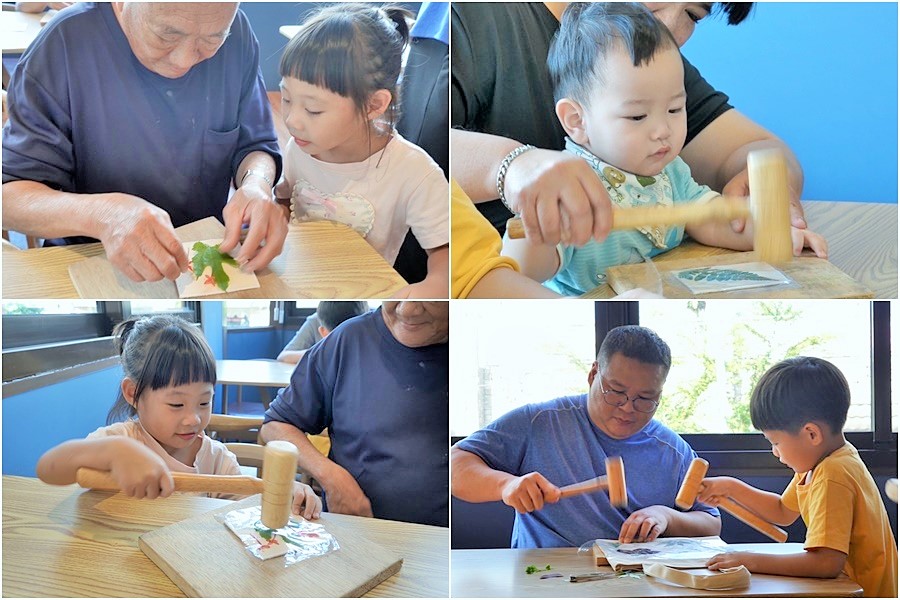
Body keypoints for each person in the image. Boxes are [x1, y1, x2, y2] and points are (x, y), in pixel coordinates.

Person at [502, 3, 826, 296]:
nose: (663, 131)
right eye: (637, 116)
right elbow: (521, 272)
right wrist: (538, 234)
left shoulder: (671, 172)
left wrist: (771, 228)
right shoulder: (570, 189)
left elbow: (710, 219)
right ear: (577, 121)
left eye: (675, 109)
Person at [451, 2, 809, 248]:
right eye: (636, 115)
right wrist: (510, 164)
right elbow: (416, 146)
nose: (666, 23)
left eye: (692, 15)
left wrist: (770, 184)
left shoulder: (653, 61)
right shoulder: (472, 16)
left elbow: (757, 149)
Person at [2, 3, 285, 282]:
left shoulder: (236, 30)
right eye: (167, 35)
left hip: (201, 257)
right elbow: (10, 197)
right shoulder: (63, 44)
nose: (184, 60)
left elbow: (256, 143)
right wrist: (103, 215)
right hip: (92, 259)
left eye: (212, 40)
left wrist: (256, 183)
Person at [451, 325, 720, 548]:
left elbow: (711, 522)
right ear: (593, 375)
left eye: (645, 398)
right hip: (543, 579)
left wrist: (666, 517)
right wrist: (505, 486)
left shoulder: (673, 451)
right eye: (616, 391)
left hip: (636, 580)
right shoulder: (540, 422)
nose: (628, 407)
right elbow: (456, 465)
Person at [36, 315, 321, 519]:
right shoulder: (121, 441)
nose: (193, 419)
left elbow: (252, 509)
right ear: (133, 393)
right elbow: (48, 469)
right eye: (176, 404)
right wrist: (113, 452)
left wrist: (285, 494)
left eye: (204, 402)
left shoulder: (216, 459)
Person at [274, 3, 449, 299]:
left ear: (374, 105)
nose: (292, 120)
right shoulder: (300, 147)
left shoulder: (415, 172)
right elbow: (286, 197)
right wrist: (273, 214)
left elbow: (444, 251)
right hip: (297, 282)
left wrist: (435, 286)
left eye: (313, 109)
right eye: (287, 99)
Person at [699, 357, 897, 598]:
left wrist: (749, 560)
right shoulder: (823, 462)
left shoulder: (833, 474)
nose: (775, 452)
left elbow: (825, 563)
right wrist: (731, 488)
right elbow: (783, 511)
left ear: (811, 434)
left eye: (776, 442)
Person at [261, 301, 449, 527]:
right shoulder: (348, 340)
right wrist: (331, 478)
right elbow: (276, 424)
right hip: (356, 532)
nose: (407, 309)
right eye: (397, 294)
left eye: (430, 298)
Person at [277, 301, 370, 364]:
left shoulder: (372, 323)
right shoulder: (316, 320)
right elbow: (284, 357)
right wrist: (319, 355)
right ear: (323, 332)